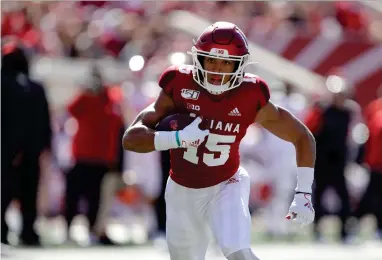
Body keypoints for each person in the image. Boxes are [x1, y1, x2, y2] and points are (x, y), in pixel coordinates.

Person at [122, 22, 316, 260]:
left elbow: (302, 136)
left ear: (239, 65)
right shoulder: (179, 85)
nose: (217, 69)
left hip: (228, 183)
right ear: (198, 60)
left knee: (237, 253)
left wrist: (303, 191)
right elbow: (131, 139)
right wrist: (176, 138)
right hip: (182, 189)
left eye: (226, 62)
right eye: (211, 60)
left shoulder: (250, 95)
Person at [65, 65, 125, 244]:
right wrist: (84, 91)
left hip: (101, 158)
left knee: (95, 198)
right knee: (73, 196)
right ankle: (68, 230)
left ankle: (92, 230)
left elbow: (118, 121)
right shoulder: (85, 96)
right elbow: (71, 110)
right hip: (82, 155)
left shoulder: (111, 97)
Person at [1, 37, 52, 246]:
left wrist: (43, 147)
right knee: (6, 193)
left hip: (26, 151)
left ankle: (28, 231)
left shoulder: (35, 87)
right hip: (8, 151)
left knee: (27, 194)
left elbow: (44, 120)